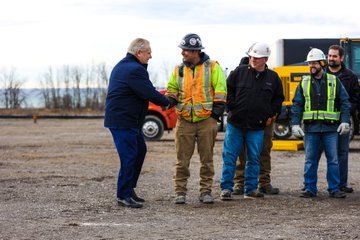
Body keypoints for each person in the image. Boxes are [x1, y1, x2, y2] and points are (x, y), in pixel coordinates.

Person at [104, 38, 170, 208]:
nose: (151, 56)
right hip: (123, 121)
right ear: (139, 53)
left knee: (140, 150)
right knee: (129, 156)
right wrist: (167, 101)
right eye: (148, 52)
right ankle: (123, 195)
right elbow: (148, 92)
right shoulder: (134, 70)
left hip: (127, 121)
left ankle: (128, 190)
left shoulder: (124, 66)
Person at [166, 33, 227, 204]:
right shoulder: (178, 70)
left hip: (206, 120)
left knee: (206, 159)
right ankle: (180, 192)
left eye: (185, 50)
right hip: (184, 120)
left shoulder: (213, 67)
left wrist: (214, 116)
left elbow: (221, 90)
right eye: (183, 50)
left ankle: (205, 191)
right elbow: (172, 89)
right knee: (181, 160)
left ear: (196, 51)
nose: (182, 53)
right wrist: (169, 100)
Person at [220, 42, 284, 200]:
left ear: (265, 59)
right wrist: (232, 108)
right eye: (251, 56)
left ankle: (250, 189)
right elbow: (227, 91)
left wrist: (269, 113)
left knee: (254, 158)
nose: (253, 60)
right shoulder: (238, 72)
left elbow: (278, 99)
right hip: (236, 124)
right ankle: (226, 188)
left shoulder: (273, 78)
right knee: (229, 156)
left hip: (257, 126)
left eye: (257, 57)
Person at [291, 48, 350, 198]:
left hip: (331, 129)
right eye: (310, 63)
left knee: (333, 160)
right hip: (311, 129)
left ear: (322, 64)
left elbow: (344, 102)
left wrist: (344, 121)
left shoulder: (334, 81)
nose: (311, 66)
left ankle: (334, 189)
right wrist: (295, 124)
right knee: (310, 160)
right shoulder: (304, 82)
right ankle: (310, 188)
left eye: (314, 63)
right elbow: (297, 104)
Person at [232, 56, 279, 196]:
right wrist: (233, 112)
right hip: (242, 120)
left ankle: (263, 182)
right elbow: (231, 95)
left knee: (264, 150)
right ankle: (239, 183)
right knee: (241, 152)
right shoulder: (239, 73)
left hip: (264, 121)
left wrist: (271, 115)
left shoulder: (270, 77)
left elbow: (277, 98)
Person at [326, 45, 359, 193]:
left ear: (341, 58)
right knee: (318, 155)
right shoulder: (322, 73)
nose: (331, 59)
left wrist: (345, 113)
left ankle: (341, 184)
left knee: (342, 153)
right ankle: (312, 186)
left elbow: (356, 98)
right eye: (329, 56)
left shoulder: (350, 76)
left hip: (342, 121)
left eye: (334, 56)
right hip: (324, 121)